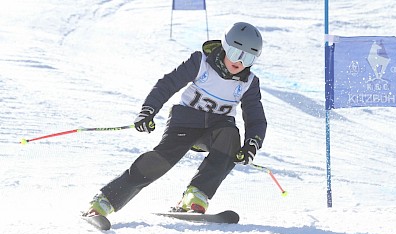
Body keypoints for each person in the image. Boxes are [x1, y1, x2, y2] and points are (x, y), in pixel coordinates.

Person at [84, 22, 267, 217]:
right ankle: (105, 200)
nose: (239, 62)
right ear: (225, 46)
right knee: (161, 160)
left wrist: (251, 144)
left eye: (248, 58)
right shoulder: (201, 62)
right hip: (186, 122)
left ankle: (196, 195)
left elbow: (256, 117)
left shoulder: (249, 83)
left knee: (231, 137)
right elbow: (167, 84)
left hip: (217, 129)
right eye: (235, 53)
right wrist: (148, 111)